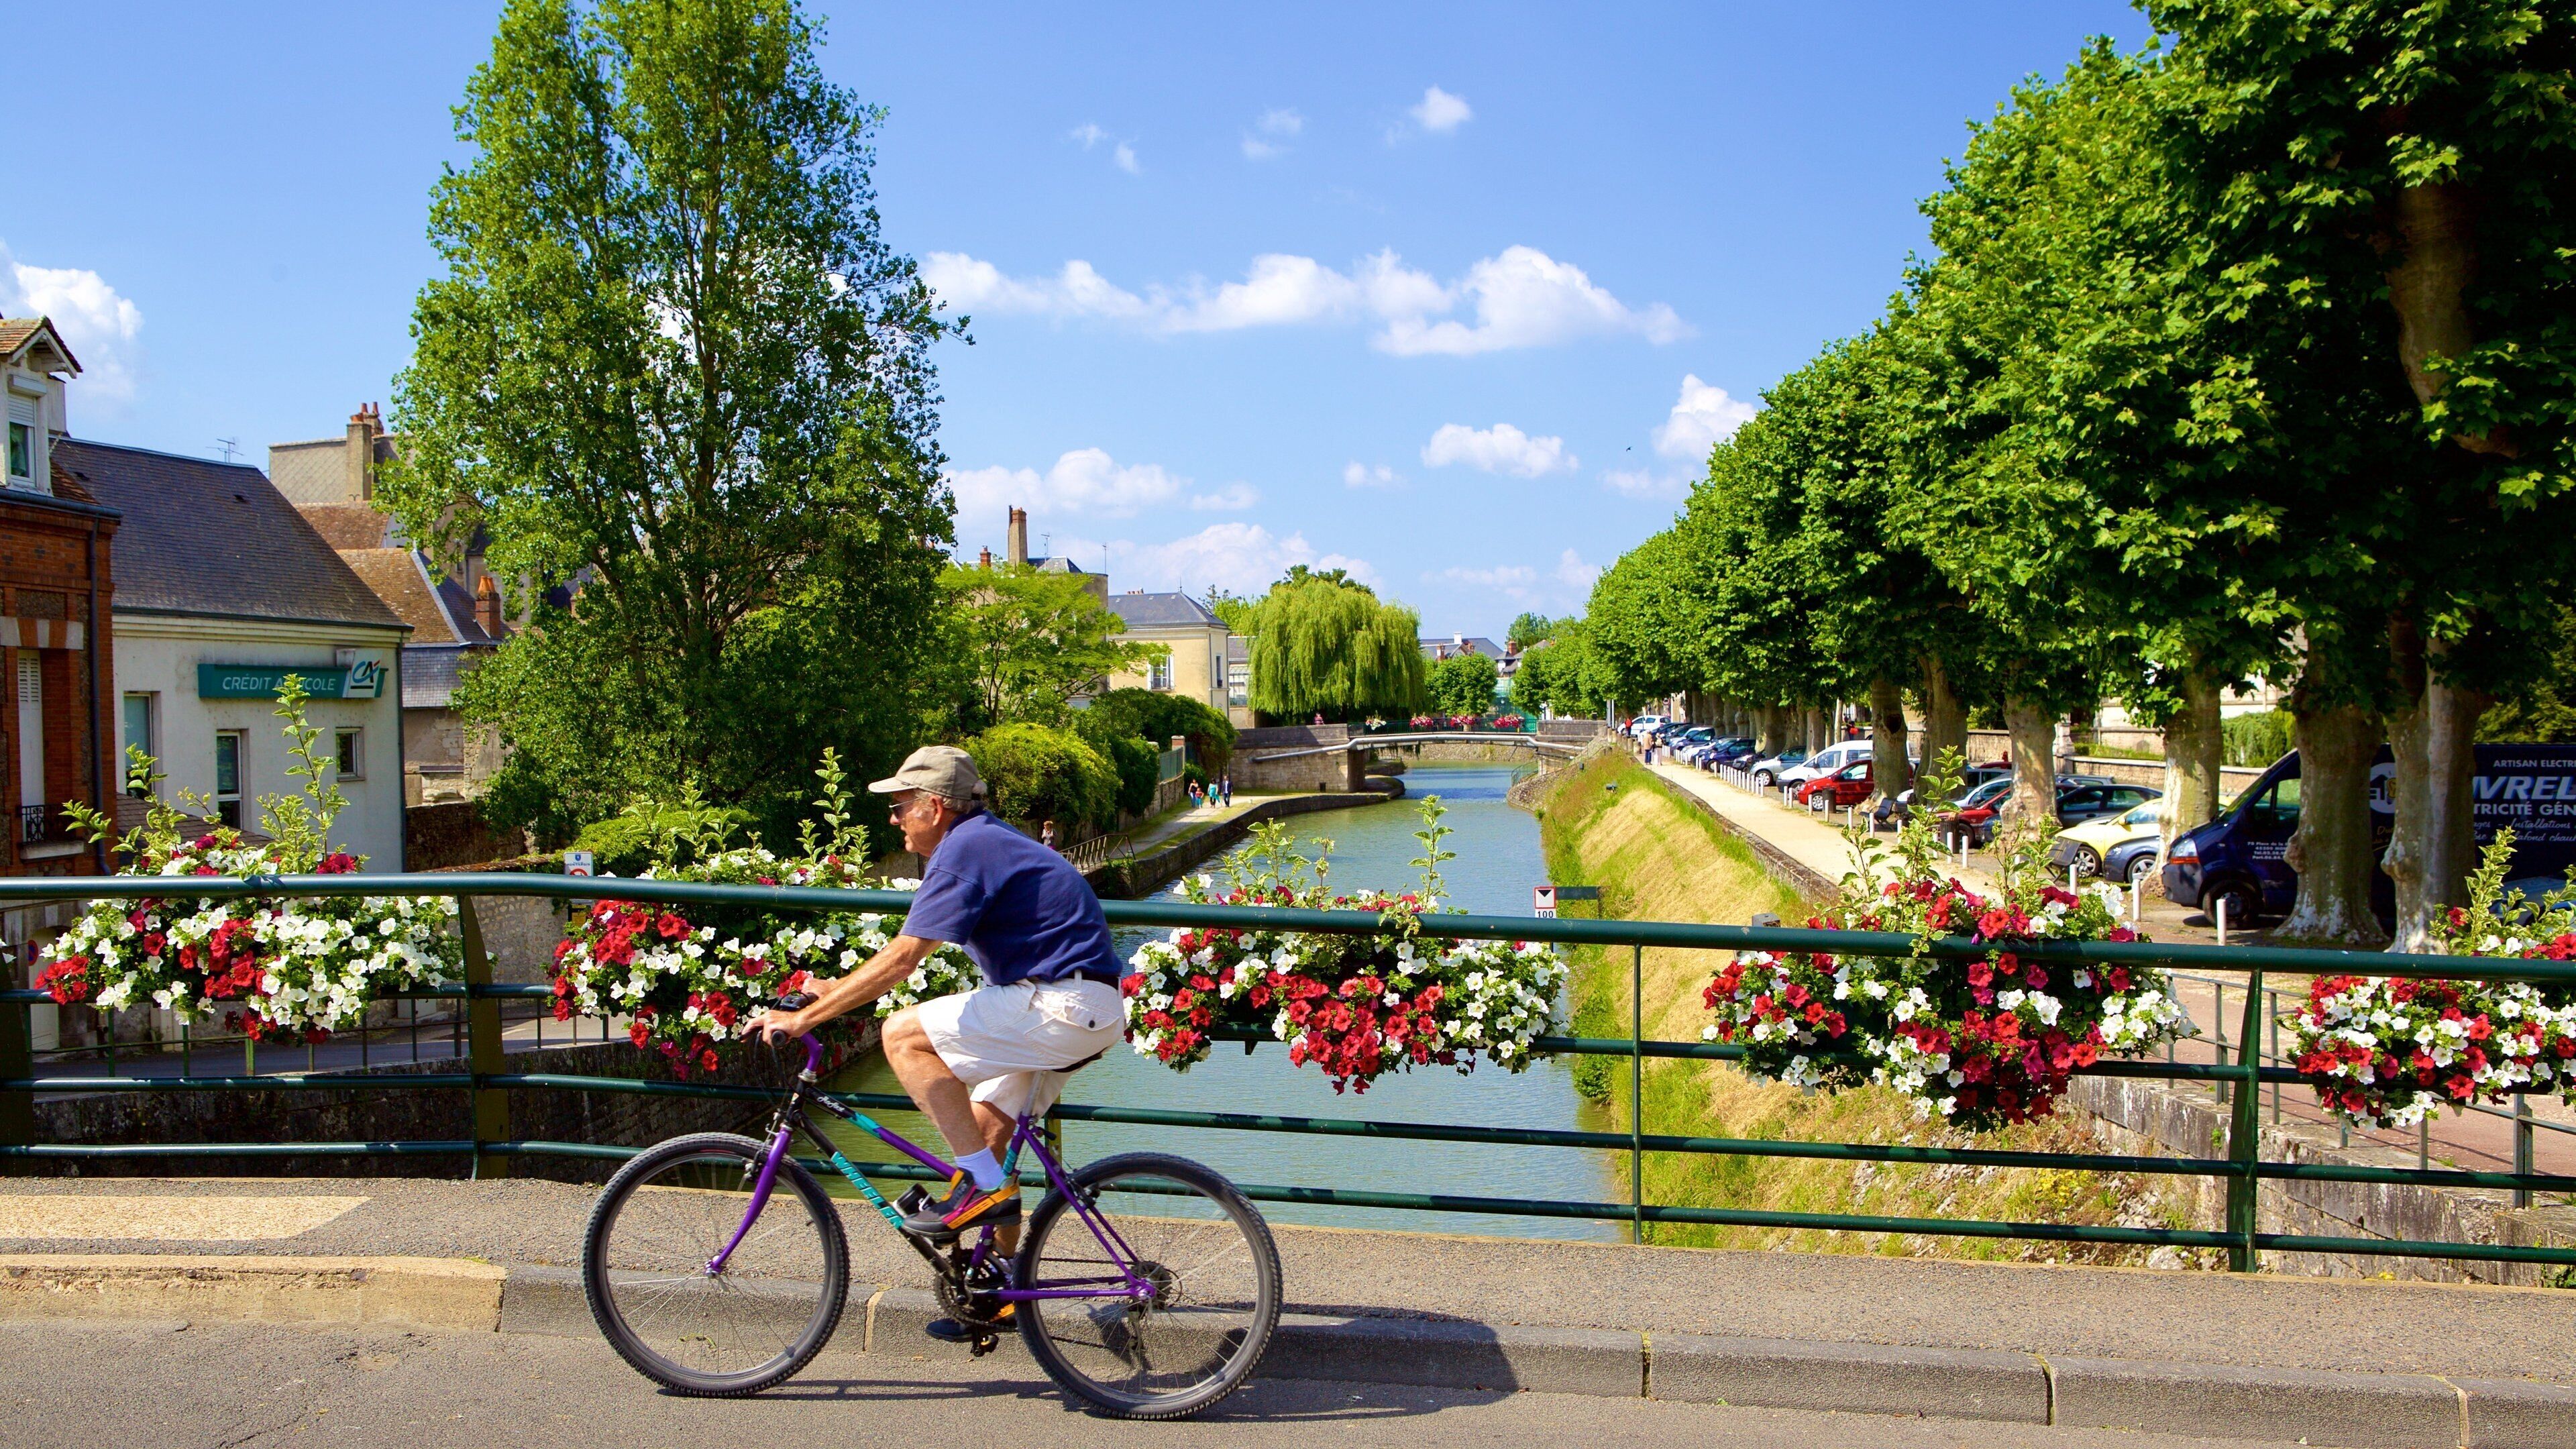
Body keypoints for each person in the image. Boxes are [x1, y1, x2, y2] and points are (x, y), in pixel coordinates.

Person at [750, 745, 1123, 1256]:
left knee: (901, 1036)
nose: (894, 816)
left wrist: (804, 1020)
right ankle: (1002, 1288)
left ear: (935, 806)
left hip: (1060, 1003)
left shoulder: (965, 848)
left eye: (902, 804)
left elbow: (905, 958)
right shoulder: (983, 839)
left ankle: (983, 1191)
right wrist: (837, 991)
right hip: (1081, 1006)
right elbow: (909, 953)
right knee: (987, 1140)